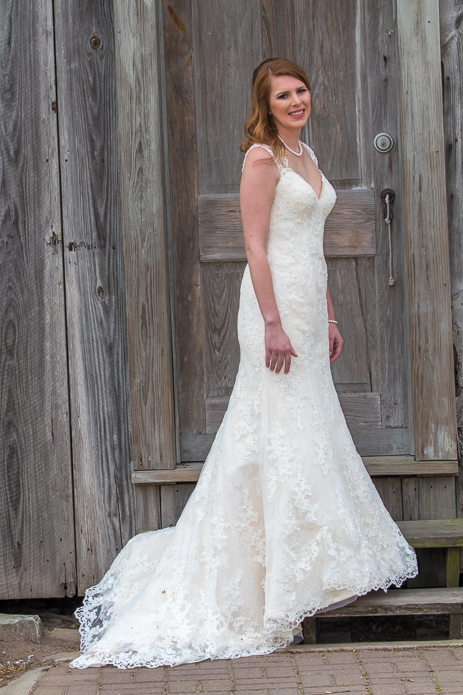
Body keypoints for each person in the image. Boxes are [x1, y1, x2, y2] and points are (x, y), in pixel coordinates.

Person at [70, 57, 418, 670]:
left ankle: (309, 560)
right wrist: (274, 323)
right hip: (271, 309)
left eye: (302, 90)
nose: (296, 101)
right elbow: (255, 246)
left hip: (308, 306)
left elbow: (313, 248)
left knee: (306, 421)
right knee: (273, 422)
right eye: (283, 95)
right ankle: (270, 578)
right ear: (266, 104)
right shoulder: (262, 160)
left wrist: (329, 317)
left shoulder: (307, 157)